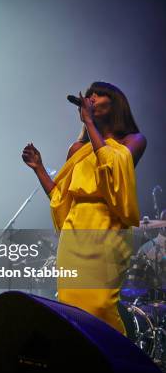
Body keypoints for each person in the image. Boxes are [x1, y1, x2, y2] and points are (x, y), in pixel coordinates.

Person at [22, 82, 146, 334]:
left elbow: (114, 169)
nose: (90, 97)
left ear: (116, 104)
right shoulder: (77, 149)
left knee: (101, 305)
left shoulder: (133, 140)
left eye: (98, 94)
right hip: (74, 232)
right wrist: (39, 168)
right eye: (88, 94)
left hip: (108, 227)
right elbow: (60, 196)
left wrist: (89, 123)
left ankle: (118, 365)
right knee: (72, 307)